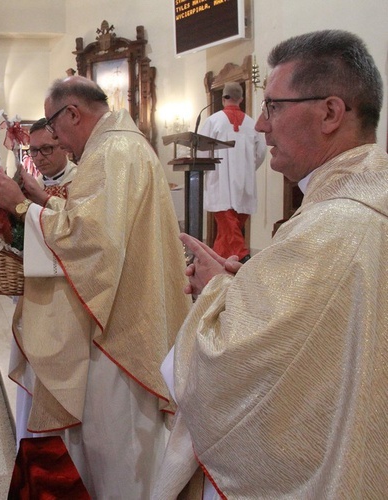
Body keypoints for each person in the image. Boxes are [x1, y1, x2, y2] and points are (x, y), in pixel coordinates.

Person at [155, 30, 388, 499]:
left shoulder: (335, 223)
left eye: (275, 107)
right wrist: (249, 282)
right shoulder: (364, 198)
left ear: (330, 112)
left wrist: (216, 289)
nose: (261, 126)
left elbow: (231, 361)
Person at [0, 76, 190, 498]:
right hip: (131, 314)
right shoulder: (123, 146)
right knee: (120, 449)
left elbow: (93, 240)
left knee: (118, 456)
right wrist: (43, 201)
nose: (60, 143)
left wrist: (20, 206)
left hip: (121, 332)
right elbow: (95, 220)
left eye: (56, 132)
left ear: (73, 113)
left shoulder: (112, 152)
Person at [7, 117, 78, 443]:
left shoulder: (82, 183)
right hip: (34, 298)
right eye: (32, 151)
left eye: (46, 149)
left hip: (68, 304)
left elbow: (78, 230)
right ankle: (31, 448)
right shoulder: (27, 185)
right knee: (35, 382)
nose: (38, 158)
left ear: (63, 143)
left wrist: (31, 201)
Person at [199, 81, 267, 261]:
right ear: (241, 99)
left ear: (223, 99)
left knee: (228, 228)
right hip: (244, 183)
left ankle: (243, 256)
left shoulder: (213, 121)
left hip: (220, 182)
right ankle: (219, 263)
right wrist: (248, 169)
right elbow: (261, 153)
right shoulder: (252, 124)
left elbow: (202, 151)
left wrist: (207, 170)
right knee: (228, 230)